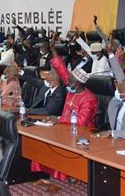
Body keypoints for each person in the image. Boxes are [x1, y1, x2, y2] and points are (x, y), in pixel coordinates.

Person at [31, 41, 98, 191]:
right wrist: (53, 49)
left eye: (71, 82)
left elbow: (81, 122)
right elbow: (61, 69)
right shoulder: (73, 89)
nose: (67, 83)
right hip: (64, 127)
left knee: (58, 146)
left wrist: (59, 119)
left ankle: (62, 181)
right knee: (43, 141)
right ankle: (49, 177)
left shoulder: (89, 98)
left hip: (81, 133)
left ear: (78, 84)